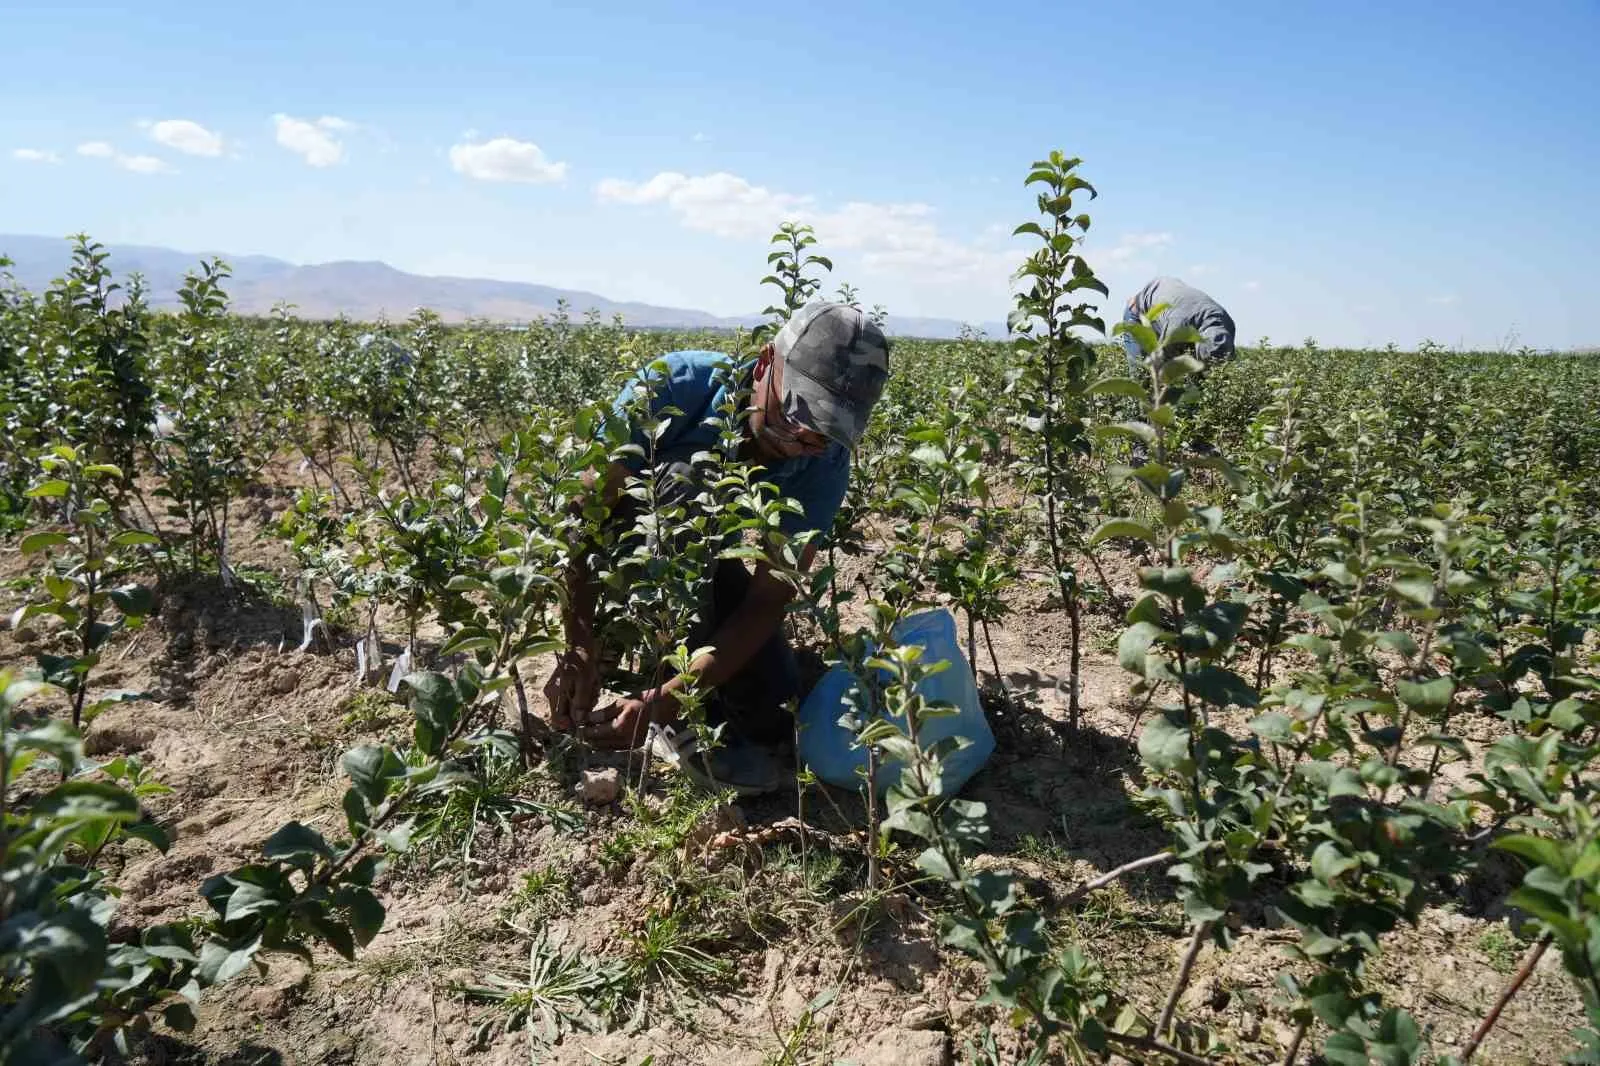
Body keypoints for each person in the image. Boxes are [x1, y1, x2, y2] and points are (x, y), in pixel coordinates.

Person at [542, 300, 890, 795]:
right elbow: (583, 513)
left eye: (827, 431)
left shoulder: (824, 464)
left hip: (704, 567)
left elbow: (768, 597)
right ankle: (630, 659)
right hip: (628, 558)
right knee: (681, 483)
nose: (805, 438)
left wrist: (667, 698)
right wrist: (577, 641)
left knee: (775, 705)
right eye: (798, 413)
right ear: (767, 364)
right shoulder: (676, 385)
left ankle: (665, 690)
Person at [1119, 276, 1237, 381]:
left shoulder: (1228, 325)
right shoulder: (1176, 329)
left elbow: (1220, 369)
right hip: (1138, 313)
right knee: (1141, 376)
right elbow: (1164, 367)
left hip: (1173, 301)